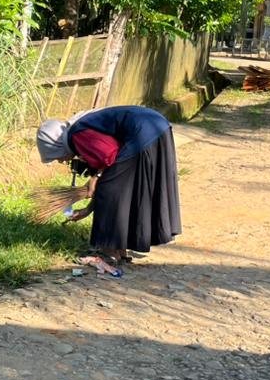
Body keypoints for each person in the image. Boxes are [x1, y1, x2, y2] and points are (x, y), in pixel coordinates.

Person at [35, 105, 181, 265]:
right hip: (157, 125)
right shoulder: (79, 128)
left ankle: (108, 252)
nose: (60, 160)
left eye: (57, 157)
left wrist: (95, 178)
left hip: (143, 130)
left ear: (57, 146)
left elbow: (109, 156)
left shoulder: (76, 135)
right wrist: (88, 209)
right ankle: (120, 248)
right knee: (125, 189)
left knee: (109, 186)